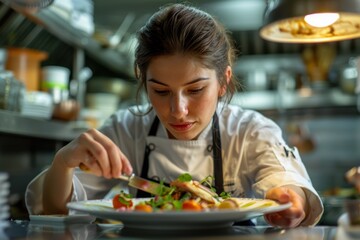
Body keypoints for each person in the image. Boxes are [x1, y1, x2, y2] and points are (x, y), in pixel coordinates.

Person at [25, 3, 323, 228]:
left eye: (195, 90)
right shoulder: (126, 130)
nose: (178, 110)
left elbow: (284, 180)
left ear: (223, 82)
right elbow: (55, 210)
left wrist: (289, 198)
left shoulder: (250, 131)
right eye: (161, 91)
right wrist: (63, 163)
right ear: (144, 83)